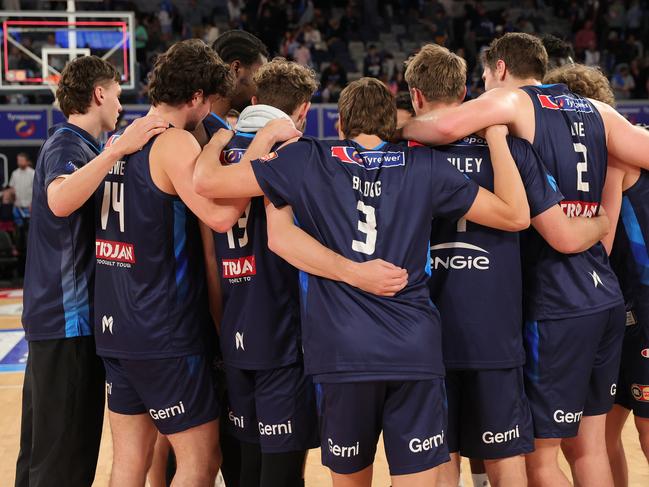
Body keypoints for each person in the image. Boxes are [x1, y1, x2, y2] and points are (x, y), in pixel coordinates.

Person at [194, 76, 537, 487]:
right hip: (413, 349)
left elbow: (208, 183)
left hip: (342, 350)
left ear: (339, 123)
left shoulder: (308, 158)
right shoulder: (424, 164)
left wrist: (223, 137)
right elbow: (516, 215)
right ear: (393, 123)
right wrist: (496, 139)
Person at [401, 32, 649, 487]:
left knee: (538, 459)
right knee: (590, 448)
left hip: (555, 300)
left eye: (483, 78)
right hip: (604, 295)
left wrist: (392, 130)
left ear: (499, 69)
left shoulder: (513, 101)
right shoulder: (596, 109)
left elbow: (442, 127)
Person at [15, 55, 167, 487]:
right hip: (68, 320)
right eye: (117, 94)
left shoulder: (77, 145)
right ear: (99, 94)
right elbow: (62, 199)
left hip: (57, 321)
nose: (120, 104)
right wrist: (117, 149)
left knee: (42, 454)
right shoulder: (67, 145)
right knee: (63, 459)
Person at [93, 39, 236, 487]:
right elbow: (218, 215)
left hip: (115, 325)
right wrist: (221, 149)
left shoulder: (122, 137)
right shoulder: (173, 142)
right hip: (164, 331)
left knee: (129, 463)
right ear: (196, 98)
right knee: (199, 461)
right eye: (208, 99)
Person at [198, 58, 321, 487]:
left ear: (253, 100)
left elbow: (210, 259)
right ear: (303, 109)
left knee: (245, 467)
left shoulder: (213, 156)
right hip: (283, 336)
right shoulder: (296, 154)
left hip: (232, 325)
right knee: (282, 471)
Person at [546, 62, 649, 487]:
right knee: (604, 435)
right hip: (618, 309)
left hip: (639, 307)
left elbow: (601, 240)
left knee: (643, 432)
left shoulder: (616, 156)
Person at [202, 30, 269, 138]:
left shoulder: (220, 128)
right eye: (259, 77)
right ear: (236, 69)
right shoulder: (198, 131)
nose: (262, 89)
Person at [8, 152, 35, 275]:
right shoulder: (15, 174)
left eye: (21, 160)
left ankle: (31, 267)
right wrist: (12, 197)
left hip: (29, 208)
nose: (19, 162)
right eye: (18, 160)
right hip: (18, 208)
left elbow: (37, 189)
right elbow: (12, 189)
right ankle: (19, 270)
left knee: (30, 238)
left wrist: (32, 204)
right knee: (19, 238)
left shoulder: (32, 173)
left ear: (26, 160)